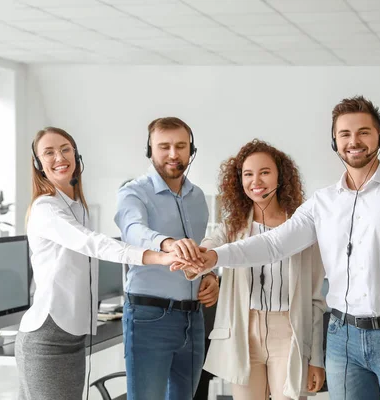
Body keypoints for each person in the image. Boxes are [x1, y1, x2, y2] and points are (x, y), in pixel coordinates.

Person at [175, 96, 380, 400]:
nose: (354, 141)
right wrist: (214, 256)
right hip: (342, 338)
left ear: (379, 137)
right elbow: (274, 244)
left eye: (364, 132)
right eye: (344, 134)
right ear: (335, 142)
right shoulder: (323, 203)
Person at [16, 127, 186, 400]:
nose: (59, 156)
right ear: (39, 164)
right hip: (47, 339)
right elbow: (94, 243)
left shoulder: (76, 206)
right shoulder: (46, 209)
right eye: (49, 152)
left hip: (72, 338)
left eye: (65, 149)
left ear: (76, 155)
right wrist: (159, 256)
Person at [186, 140, 326, 399]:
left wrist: (316, 357)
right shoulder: (233, 226)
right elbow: (208, 249)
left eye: (264, 172)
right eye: (247, 174)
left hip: (289, 332)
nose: (256, 181)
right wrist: (207, 273)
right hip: (243, 332)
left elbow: (316, 299)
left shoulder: (303, 228)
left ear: (280, 176)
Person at [114, 117, 219, 400]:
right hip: (150, 318)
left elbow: (198, 252)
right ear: (150, 150)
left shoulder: (198, 197)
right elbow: (133, 230)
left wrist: (210, 276)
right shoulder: (133, 193)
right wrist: (166, 242)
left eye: (181, 146)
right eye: (164, 147)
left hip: (194, 316)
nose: (173, 154)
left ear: (191, 150)